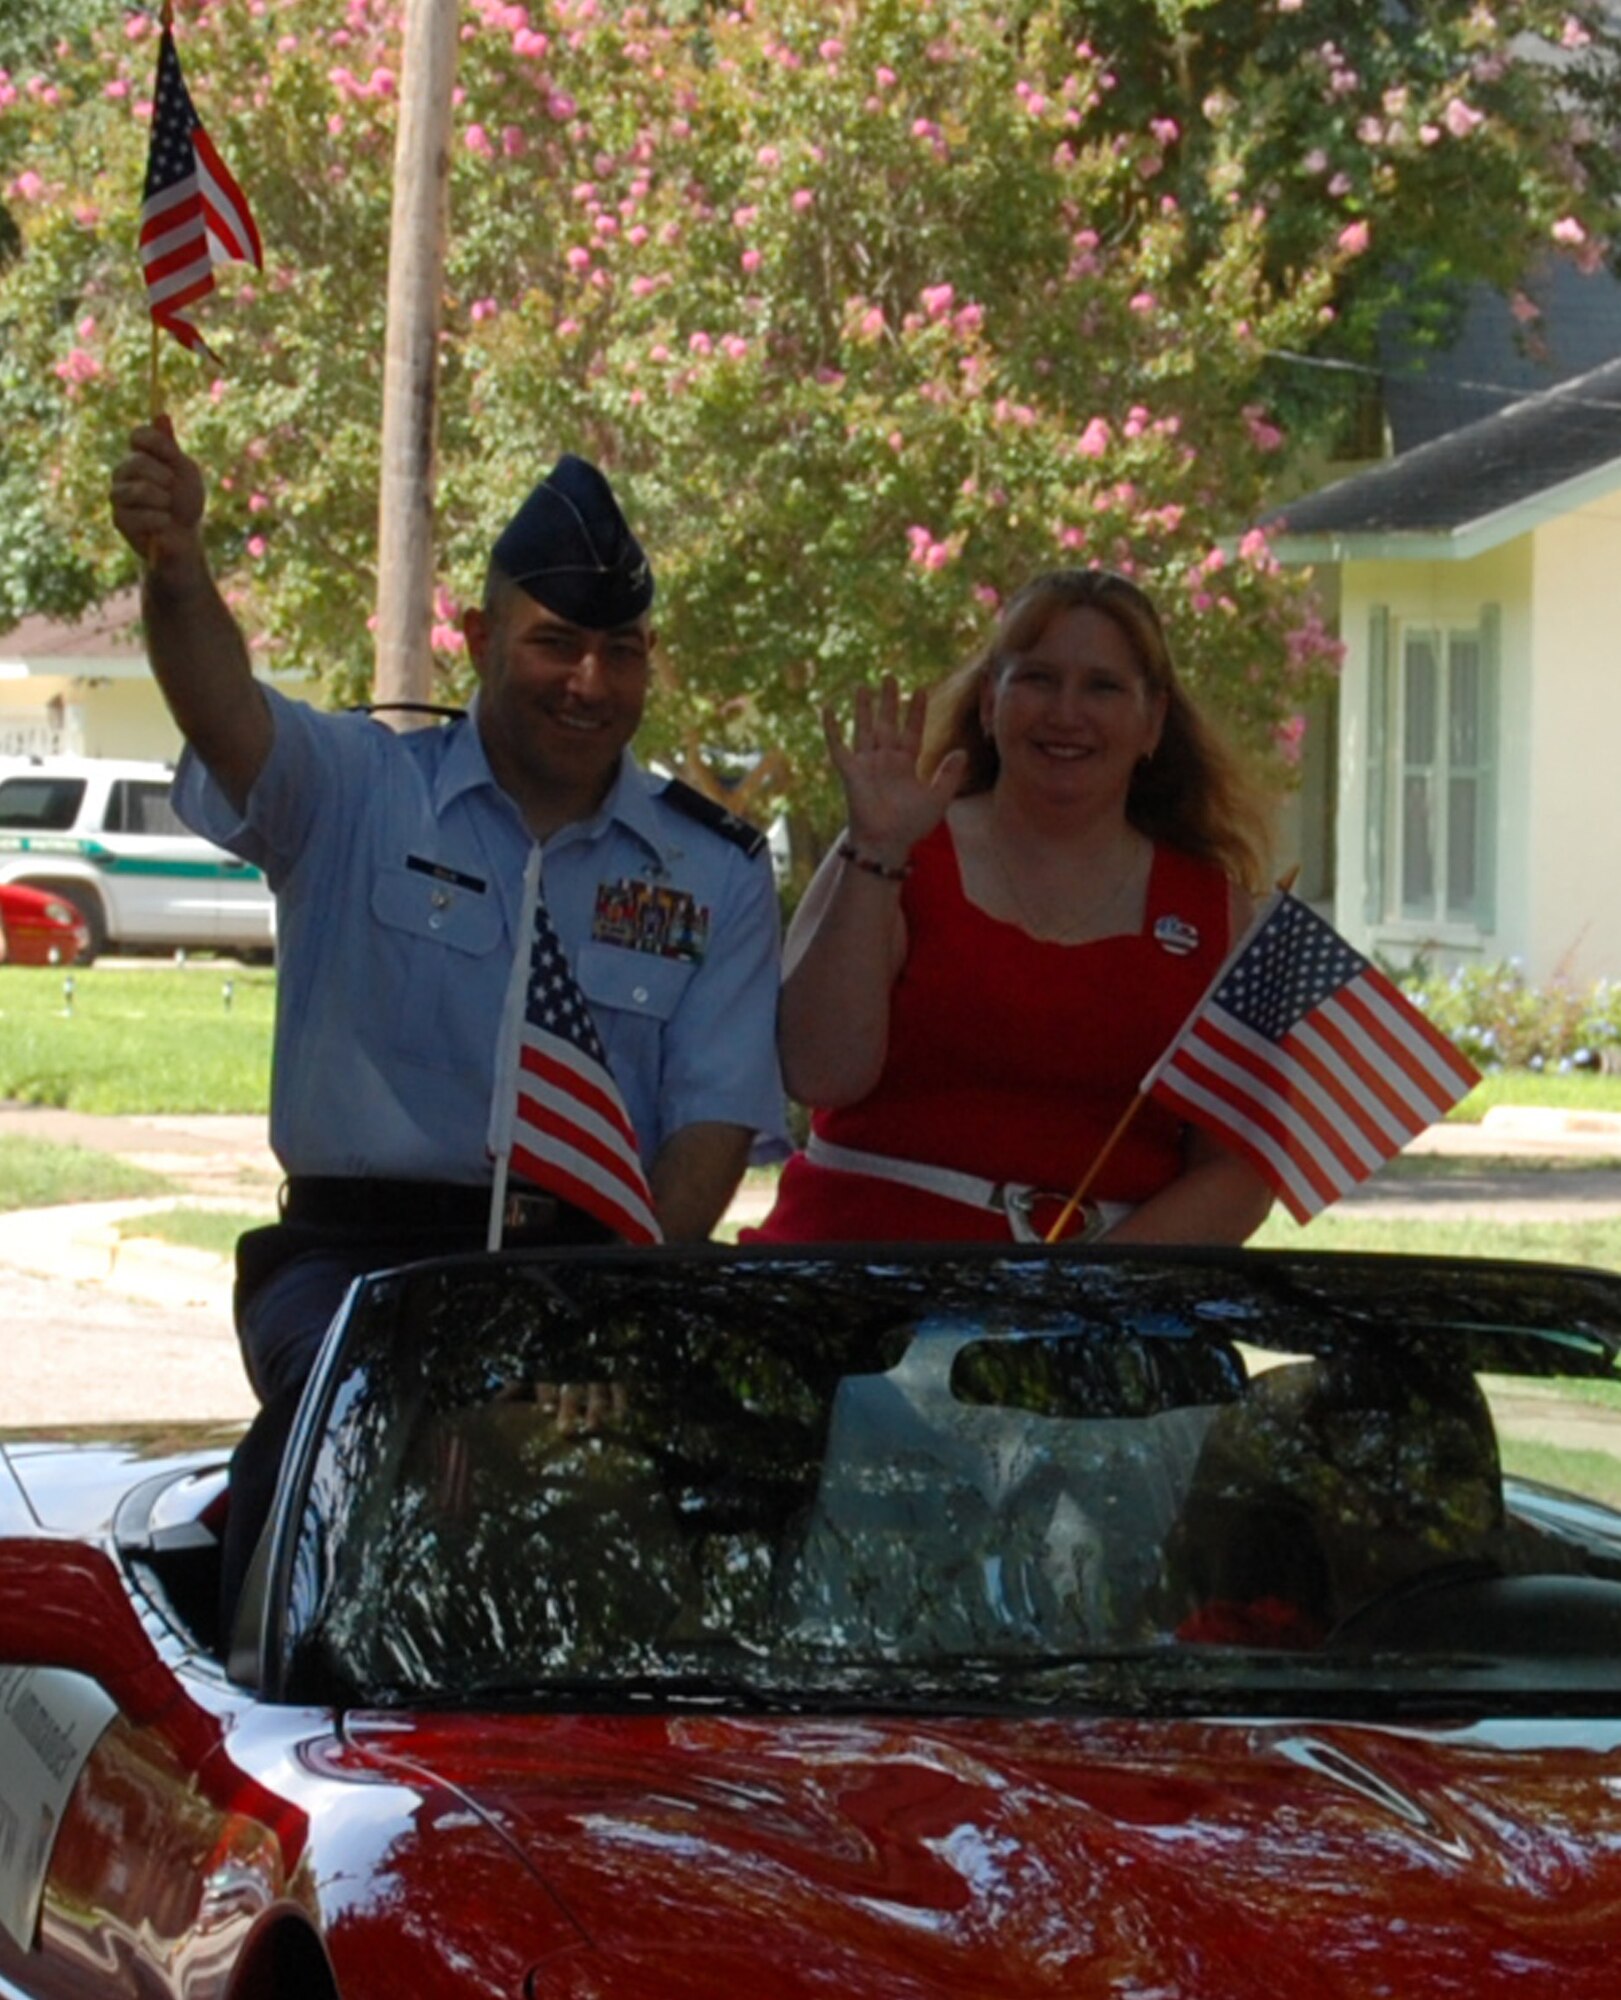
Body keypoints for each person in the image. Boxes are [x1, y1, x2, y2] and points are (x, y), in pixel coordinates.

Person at [109, 421, 787, 1616]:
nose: (589, 681)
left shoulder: (713, 871)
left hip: (591, 1267)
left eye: (619, 650)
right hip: (355, 1261)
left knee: (728, 1503)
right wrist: (177, 569)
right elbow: (221, 707)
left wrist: (611, 1311)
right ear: (475, 639)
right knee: (362, 1439)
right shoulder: (360, 790)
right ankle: (277, 1725)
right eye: (554, 642)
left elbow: (706, 1136)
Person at [747, 566, 1274, 1245]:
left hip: (1090, 1323)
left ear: (1153, 721)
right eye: (1037, 679)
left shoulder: (1216, 915)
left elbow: (1236, 1178)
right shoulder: (892, 851)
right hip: (856, 1285)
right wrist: (876, 852)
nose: (1065, 712)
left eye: (1102, 687)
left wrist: (1079, 1301)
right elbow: (819, 1073)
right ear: (990, 701)